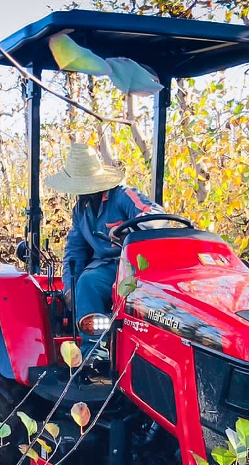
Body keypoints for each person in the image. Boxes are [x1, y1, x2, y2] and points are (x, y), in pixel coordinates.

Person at [46, 143, 163, 360]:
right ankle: (94, 353)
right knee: (87, 282)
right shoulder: (81, 209)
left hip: (133, 264)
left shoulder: (123, 195)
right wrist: (69, 287)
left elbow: (154, 215)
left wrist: (129, 230)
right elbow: (75, 250)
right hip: (106, 269)